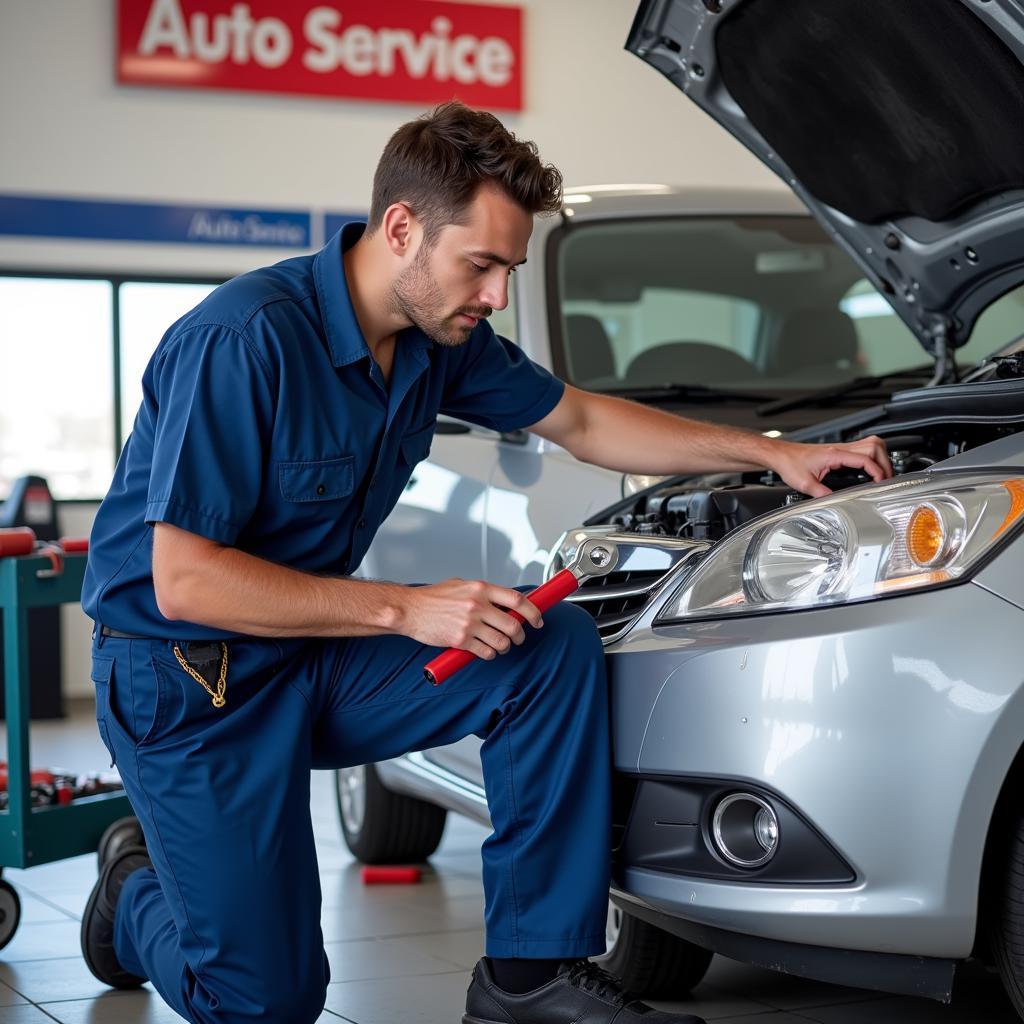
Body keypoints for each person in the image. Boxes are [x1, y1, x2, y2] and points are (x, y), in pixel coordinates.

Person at [80, 101, 892, 1024]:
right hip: (188, 678)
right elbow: (186, 579)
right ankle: (131, 896)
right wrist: (405, 609)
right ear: (401, 230)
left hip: (312, 657)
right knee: (264, 1001)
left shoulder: (437, 345)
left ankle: (524, 979)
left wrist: (771, 453)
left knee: (547, 652)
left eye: (509, 267)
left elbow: (582, 421)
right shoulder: (243, 341)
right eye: (483, 264)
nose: (497, 294)